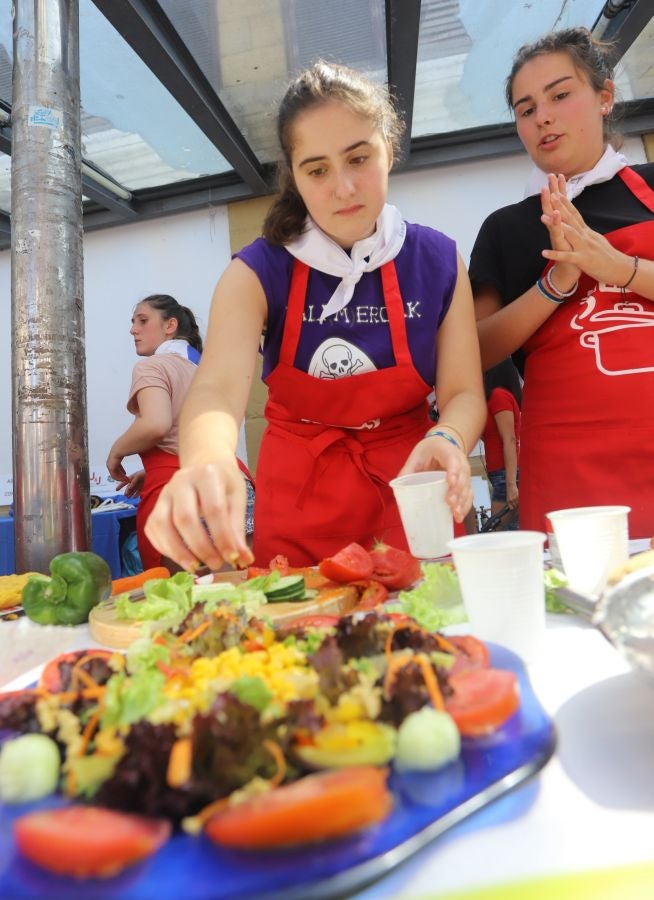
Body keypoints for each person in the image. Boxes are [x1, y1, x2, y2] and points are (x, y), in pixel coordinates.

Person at [145, 61, 486, 571]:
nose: (344, 188)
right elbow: (216, 389)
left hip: (414, 488)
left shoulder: (438, 261)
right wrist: (207, 460)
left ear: (389, 150)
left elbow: (463, 393)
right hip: (302, 495)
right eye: (318, 169)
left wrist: (447, 437)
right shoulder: (256, 271)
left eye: (359, 158)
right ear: (295, 177)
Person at [469, 27, 654, 537]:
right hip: (571, 475)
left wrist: (619, 268)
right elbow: (474, 351)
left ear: (604, 97)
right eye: (526, 109)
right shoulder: (506, 228)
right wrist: (557, 282)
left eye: (560, 95)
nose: (543, 116)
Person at [106, 294, 204, 570]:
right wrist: (151, 471)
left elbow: (155, 425)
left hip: (180, 497)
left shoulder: (152, 366)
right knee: (236, 601)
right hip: (229, 486)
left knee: (179, 604)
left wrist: (117, 451)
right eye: (133, 322)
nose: (133, 329)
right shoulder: (205, 368)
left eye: (143, 320)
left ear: (170, 325)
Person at [482, 359, 522, 527]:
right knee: (509, 530)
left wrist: (511, 484)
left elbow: (509, 439)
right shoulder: (497, 397)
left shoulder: (499, 396)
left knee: (496, 531)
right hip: (502, 473)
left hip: (505, 474)